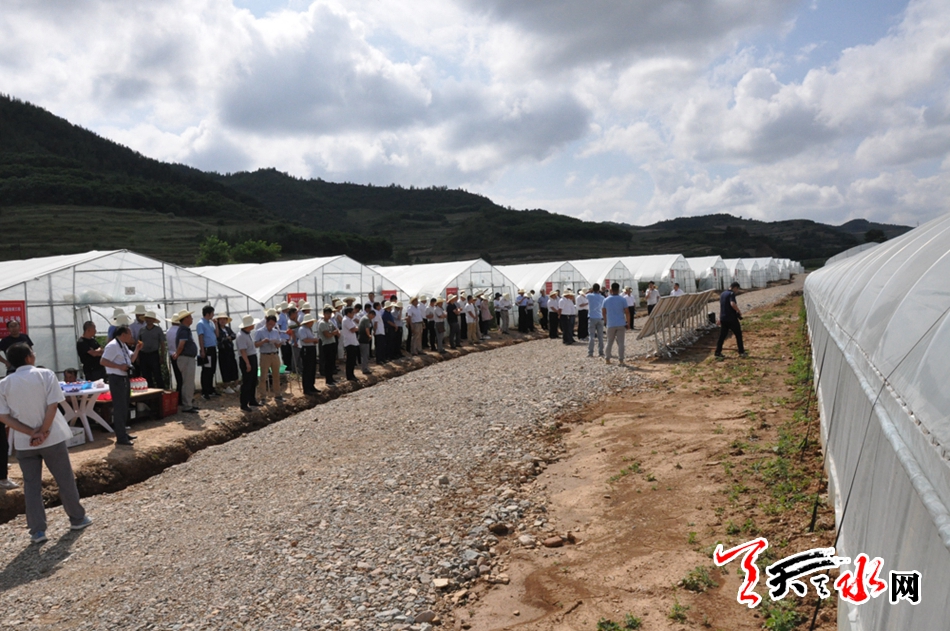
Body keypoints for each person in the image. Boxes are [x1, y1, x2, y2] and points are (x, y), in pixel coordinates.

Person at [0, 343, 92, 543]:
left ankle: (37, 531)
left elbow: (4, 417)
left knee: (31, 486)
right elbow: (52, 406)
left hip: (24, 442)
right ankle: (77, 518)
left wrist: (31, 433)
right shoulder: (46, 374)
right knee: (64, 479)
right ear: (29, 357)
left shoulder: (4, 384)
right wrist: (43, 431)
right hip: (52, 438)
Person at [100, 325, 142, 446]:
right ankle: (120, 437)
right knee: (119, 407)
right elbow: (103, 361)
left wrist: (137, 349)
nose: (131, 337)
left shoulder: (123, 345)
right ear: (123, 334)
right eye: (129, 334)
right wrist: (119, 367)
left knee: (124, 406)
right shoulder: (112, 345)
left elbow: (131, 359)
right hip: (116, 378)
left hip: (124, 377)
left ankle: (123, 432)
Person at [172, 311, 200, 413]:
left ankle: (189, 403)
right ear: (185, 319)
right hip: (186, 358)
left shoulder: (184, 329)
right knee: (187, 383)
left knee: (189, 382)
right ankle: (187, 405)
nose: (192, 319)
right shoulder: (184, 330)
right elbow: (181, 344)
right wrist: (177, 353)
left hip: (187, 358)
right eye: (190, 317)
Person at [255, 314, 285, 402]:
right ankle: (263, 397)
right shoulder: (259, 331)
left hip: (274, 355)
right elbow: (256, 344)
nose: (271, 326)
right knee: (263, 377)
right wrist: (263, 341)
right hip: (265, 355)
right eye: (270, 324)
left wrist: (279, 342)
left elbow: (277, 345)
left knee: (276, 376)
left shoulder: (275, 331)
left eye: (273, 324)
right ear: (266, 322)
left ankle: (278, 395)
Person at [235, 314, 260, 412]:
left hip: (252, 357)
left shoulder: (248, 333)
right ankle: (244, 403)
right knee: (247, 382)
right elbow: (243, 351)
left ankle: (252, 400)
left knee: (253, 380)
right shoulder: (241, 335)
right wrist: (247, 363)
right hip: (247, 358)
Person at [715, 282, 746, 359]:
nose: (737, 291)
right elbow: (732, 304)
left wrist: (719, 318)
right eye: (737, 289)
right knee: (738, 335)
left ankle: (718, 352)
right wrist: (738, 311)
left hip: (723, 318)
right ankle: (741, 352)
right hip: (731, 318)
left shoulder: (722, 294)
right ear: (735, 287)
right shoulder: (731, 294)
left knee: (722, 336)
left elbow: (722, 307)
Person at [137, 311, 166, 390]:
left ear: (153, 320)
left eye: (150, 319)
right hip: (143, 355)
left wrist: (162, 356)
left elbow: (162, 344)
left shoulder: (158, 330)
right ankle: (149, 392)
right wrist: (138, 357)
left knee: (157, 374)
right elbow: (138, 344)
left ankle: (161, 391)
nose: (149, 320)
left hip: (154, 354)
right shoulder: (142, 330)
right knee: (146, 375)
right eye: (147, 318)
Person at [604, 283, 630, 365]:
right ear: (618, 290)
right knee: (621, 343)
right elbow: (627, 312)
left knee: (609, 342)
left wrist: (605, 321)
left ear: (611, 290)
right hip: (621, 323)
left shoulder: (606, 300)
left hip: (610, 323)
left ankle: (607, 359)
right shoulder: (622, 299)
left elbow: (603, 311)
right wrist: (628, 322)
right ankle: (621, 360)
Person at [196, 305, 218, 400]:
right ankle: (204, 392)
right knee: (206, 371)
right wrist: (202, 350)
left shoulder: (210, 323)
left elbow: (217, 334)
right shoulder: (201, 323)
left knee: (212, 370)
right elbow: (200, 337)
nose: (213, 315)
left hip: (213, 348)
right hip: (206, 349)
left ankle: (210, 389)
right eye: (212, 313)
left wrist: (216, 324)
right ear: (208, 314)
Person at [297, 313, 319, 395]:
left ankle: (311, 386)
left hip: (312, 348)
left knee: (312, 368)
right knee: (307, 369)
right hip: (306, 349)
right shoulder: (302, 329)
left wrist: (314, 341)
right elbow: (305, 340)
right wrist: (314, 340)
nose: (312, 323)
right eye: (311, 322)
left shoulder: (309, 329)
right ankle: (306, 388)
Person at [215, 314, 238, 394]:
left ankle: (236, 384)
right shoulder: (217, 329)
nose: (222, 321)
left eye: (224, 319)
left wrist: (230, 337)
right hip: (223, 351)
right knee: (225, 368)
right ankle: (226, 386)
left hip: (230, 350)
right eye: (221, 319)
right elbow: (218, 338)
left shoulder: (228, 329)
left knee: (233, 366)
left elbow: (234, 335)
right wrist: (226, 339)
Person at [317, 305, 340, 386]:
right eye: (327, 313)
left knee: (332, 362)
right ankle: (328, 380)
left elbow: (336, 329)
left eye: (330, 313)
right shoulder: (322, 323)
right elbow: (327, 335)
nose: (329, 315)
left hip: (332, 343)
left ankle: (331, 379)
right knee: (327, 363)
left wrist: (335, 332)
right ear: (324, 314)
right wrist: (334, 333)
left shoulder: (330, 322)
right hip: (326, 344)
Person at [165, 311, 183, 404]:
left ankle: (178, 397)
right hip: (180, 355)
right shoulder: (180, 331)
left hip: (172, 355)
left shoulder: (168, 331)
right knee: (182, 378)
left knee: (178, 376)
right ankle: (182, 397)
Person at [586, 283, 605, 358]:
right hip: (600, 317)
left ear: (592, 289)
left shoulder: (589, 296)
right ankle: (601, 352)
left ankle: (590, 352)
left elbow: (583, 294)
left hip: (592, 317)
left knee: (591, 336)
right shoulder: (602, 297)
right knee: (600, 336)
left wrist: (589, 291)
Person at [341, 307, 359, 381]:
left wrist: (356, 328)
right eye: (352, 313)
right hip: (349, 343)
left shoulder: (350, 320)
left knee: (353, 360)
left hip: (353, 342)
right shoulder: (346, 320)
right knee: (350, 360)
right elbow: (353, 329)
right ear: (348, 313)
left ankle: (352, 374)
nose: (353, 314)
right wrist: (358, 328)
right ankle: (349, 375)